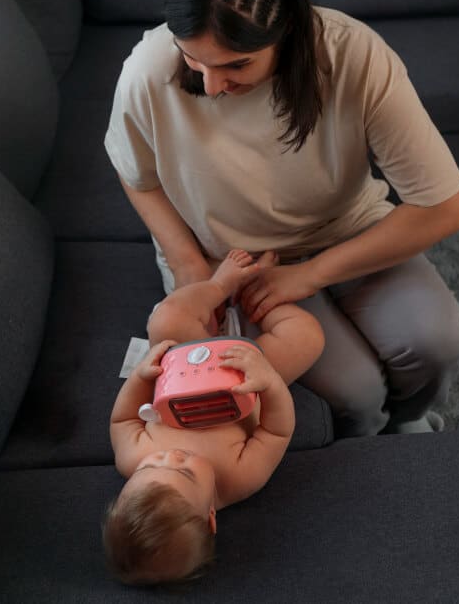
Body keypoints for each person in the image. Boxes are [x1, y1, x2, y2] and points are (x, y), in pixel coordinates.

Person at [104, 0, 459, 438]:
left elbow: (444, 207)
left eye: (236, 65)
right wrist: (193, 268)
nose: (212, 86)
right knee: (357, 393)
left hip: (348, 232)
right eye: (194, 59)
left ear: (288, 33)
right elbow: (135, 175)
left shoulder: (352, 55)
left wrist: (313, 273)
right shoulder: (147, 73)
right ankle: (369, 449)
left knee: (438, 342)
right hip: (235, 266)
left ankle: (409, 425)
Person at [103, 249, 323, 585]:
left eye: (151, 466)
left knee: (165, 319)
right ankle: (255, 297)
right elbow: (277, 432)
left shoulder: (130, 457)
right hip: (247, 376)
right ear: (210, 518)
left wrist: (140, 378)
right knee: (307, 335)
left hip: (184, 361)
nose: (171, 456)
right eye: (186, 473)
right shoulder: (240, 479)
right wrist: (269, 382)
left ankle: (221, 287)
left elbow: (123, 420)